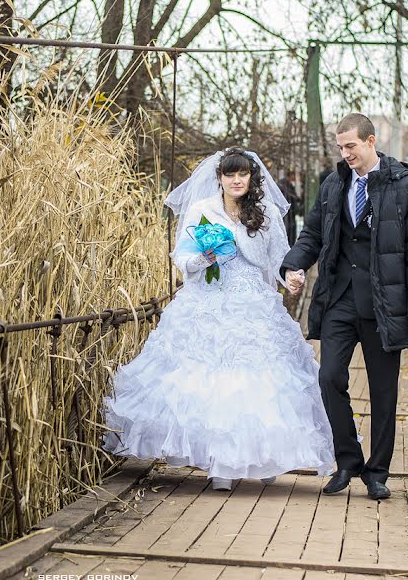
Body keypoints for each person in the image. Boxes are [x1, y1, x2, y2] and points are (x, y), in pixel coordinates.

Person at [103, 147, 335, 490]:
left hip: (253, 304)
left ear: (252, 178)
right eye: (230, 174)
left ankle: (263, 456)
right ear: (220, 178)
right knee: (210, 380)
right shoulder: (202, 211)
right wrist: (205, 258)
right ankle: (220, 466)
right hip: (207, 304)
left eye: (243, 174)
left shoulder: (266, 213)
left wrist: (293, 278)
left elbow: (279, 260)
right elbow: (183, 260)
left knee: (258, 382)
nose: (237, 180)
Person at [281, 113, 408, 500]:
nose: (345, 153)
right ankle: (347, 460)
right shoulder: (334, 184)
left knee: (384, 391)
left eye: (350, 145)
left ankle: (377, 472)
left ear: (370, 141)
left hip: (386, 303)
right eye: (340, 147)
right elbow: (313, 231)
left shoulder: (407, 188)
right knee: (329, 377)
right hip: (339, 300)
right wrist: (294, 264)